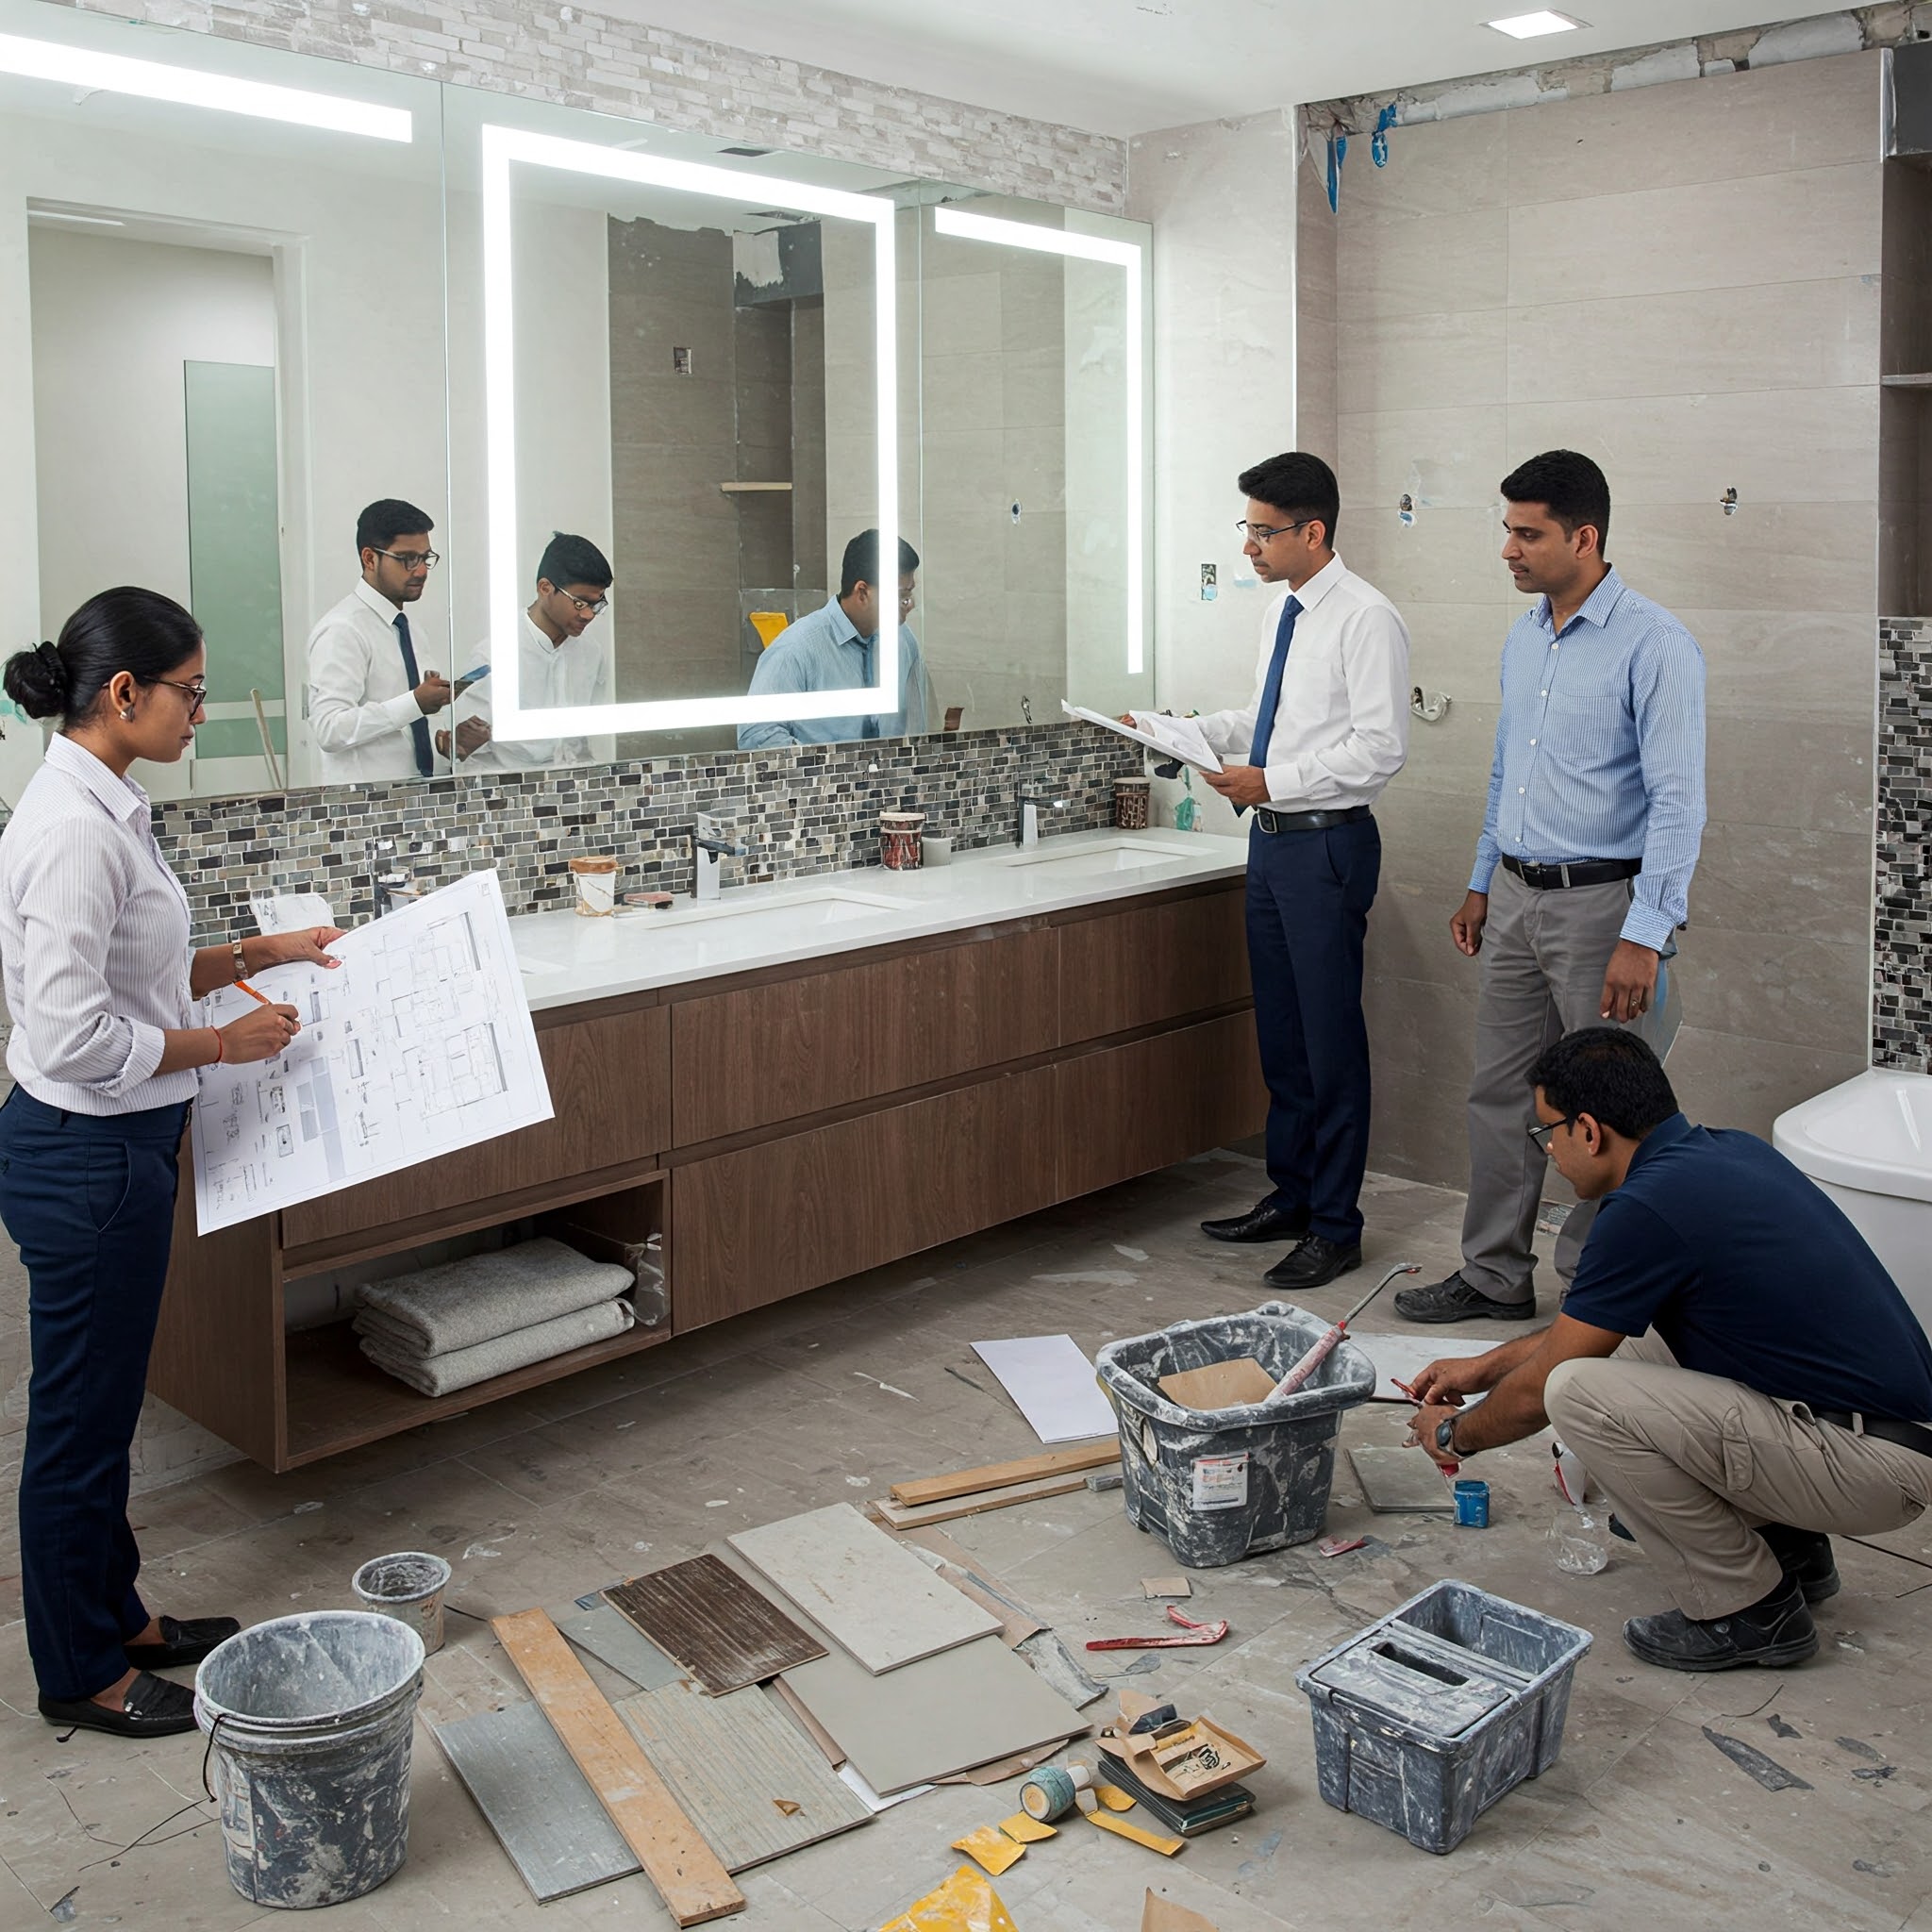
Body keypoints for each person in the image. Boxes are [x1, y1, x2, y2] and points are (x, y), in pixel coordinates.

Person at [0, 589, 344, 1738]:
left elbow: (134, 976)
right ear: (123, 693)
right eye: (190, 691)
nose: (201, 709)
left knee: (105, 1410)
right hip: (85, 1155)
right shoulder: (66, 833)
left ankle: (121, 1615)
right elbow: (70, 1038)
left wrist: (259, 951)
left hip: (122, 1145)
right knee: (80, 1427)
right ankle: (80, 1671)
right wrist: (223, 1042)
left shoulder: (109, 803)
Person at [1407, 1028, 1932, 1672]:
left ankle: (1749, 1611)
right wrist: (1484, 1366)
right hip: (1886, 1436)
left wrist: (1455, 1435)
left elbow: (1550, 1384)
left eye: (1549, 1135)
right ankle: (1790, 1549)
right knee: (1622, 1347)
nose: (1551, 1154)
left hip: (1870, 1467)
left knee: (1577, 1392)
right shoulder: (1723, 1153)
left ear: (1590, 1130)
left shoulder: (1643, 1210)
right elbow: (1589, 1328)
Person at [1395, 450, 1705, 1326]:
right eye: (1508, 531)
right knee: (1498, 1092)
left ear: (1585, 536)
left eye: (1527, 534)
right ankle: (1493, 1274)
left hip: (1604, 910)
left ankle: (1592, 1290)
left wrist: (1645, 932)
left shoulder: (1657, 644)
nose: (1509, 550)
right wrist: (1480, 881)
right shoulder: (1526, 636)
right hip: (1519, 898)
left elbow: (1680, 803)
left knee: (1605, 1111)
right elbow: (1507, 773)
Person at [1179, 452, 1410, 1291]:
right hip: (1273, 843)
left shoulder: (1364, 618)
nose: (1248, 546)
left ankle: (1338, 1227)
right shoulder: (1287, 614)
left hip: (1324, 844)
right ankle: (1293, 1194)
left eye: (1262, 531)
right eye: (1246, 528)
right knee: (1282, 1034)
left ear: (1313, 532)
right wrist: (1183, 731)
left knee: (1328, 1037)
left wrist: (1270, 782)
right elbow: (1268, 720)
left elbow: (1379, 748)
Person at [738, 530, 928, 749]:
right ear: (863, 592)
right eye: (901, 595)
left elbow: (916, 730)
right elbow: (757, 736)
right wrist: (828, 768)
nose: (910, 604)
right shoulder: (795, 650)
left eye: (909, 594)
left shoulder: (903, 641)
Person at [442, 532, 615, 773]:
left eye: (597, 604)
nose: (589, 615)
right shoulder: (492, 657)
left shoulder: (591, 653)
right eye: (580, 603)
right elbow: (464, 756)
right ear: (545, 588)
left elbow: (589, 739)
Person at [307, 499, 451, 783]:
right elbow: (329, 729)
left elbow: (404, 732)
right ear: (370, 558)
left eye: (425, 558)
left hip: (423, 799)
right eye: (408, 558)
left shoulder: (411, 630)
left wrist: (444, 744)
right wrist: (414, 703)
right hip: (367, 809)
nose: (421, 570)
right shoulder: (342, 630)